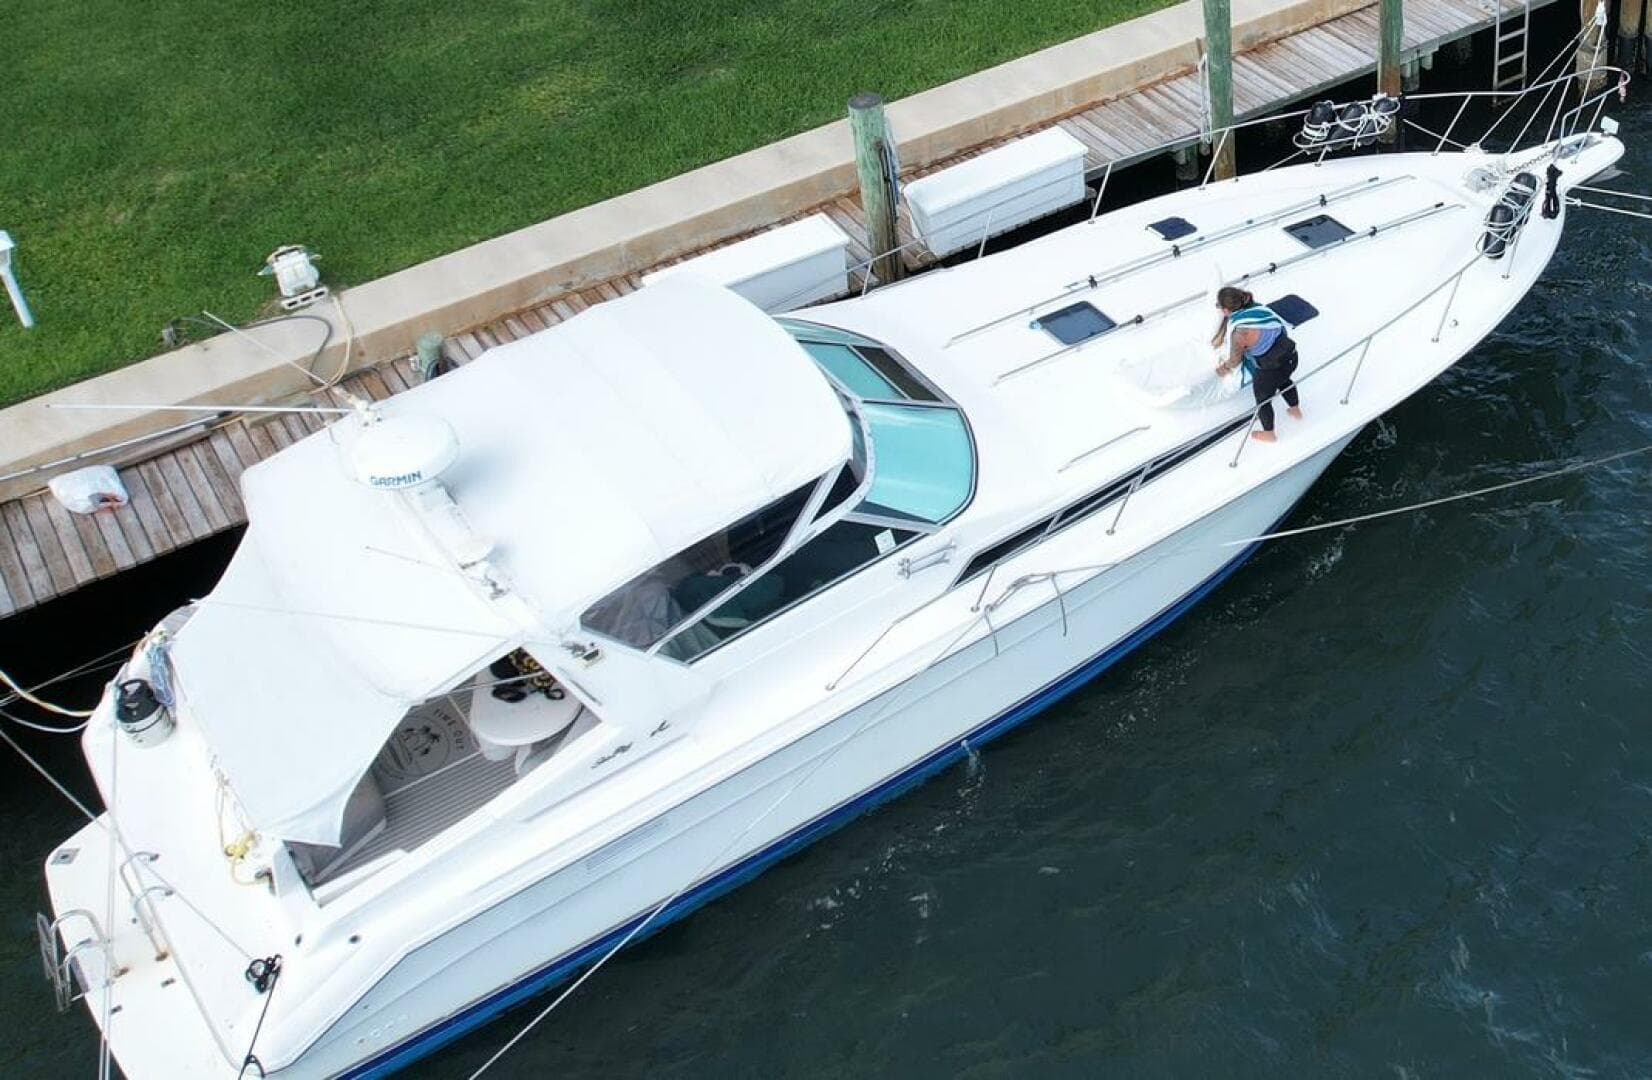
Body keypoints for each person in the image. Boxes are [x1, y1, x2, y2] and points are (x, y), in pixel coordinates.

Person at [1212, 286, 1303, 443]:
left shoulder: (1239, 333)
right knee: (1285, 381)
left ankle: (1269, 434)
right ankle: (1295, 411)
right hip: (1290, 357)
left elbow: (1235, 361)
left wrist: (1222, 369)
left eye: (1220, 307)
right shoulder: (1259, 308)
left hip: (1271, 368)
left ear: (1227, 311)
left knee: (1263, 399)